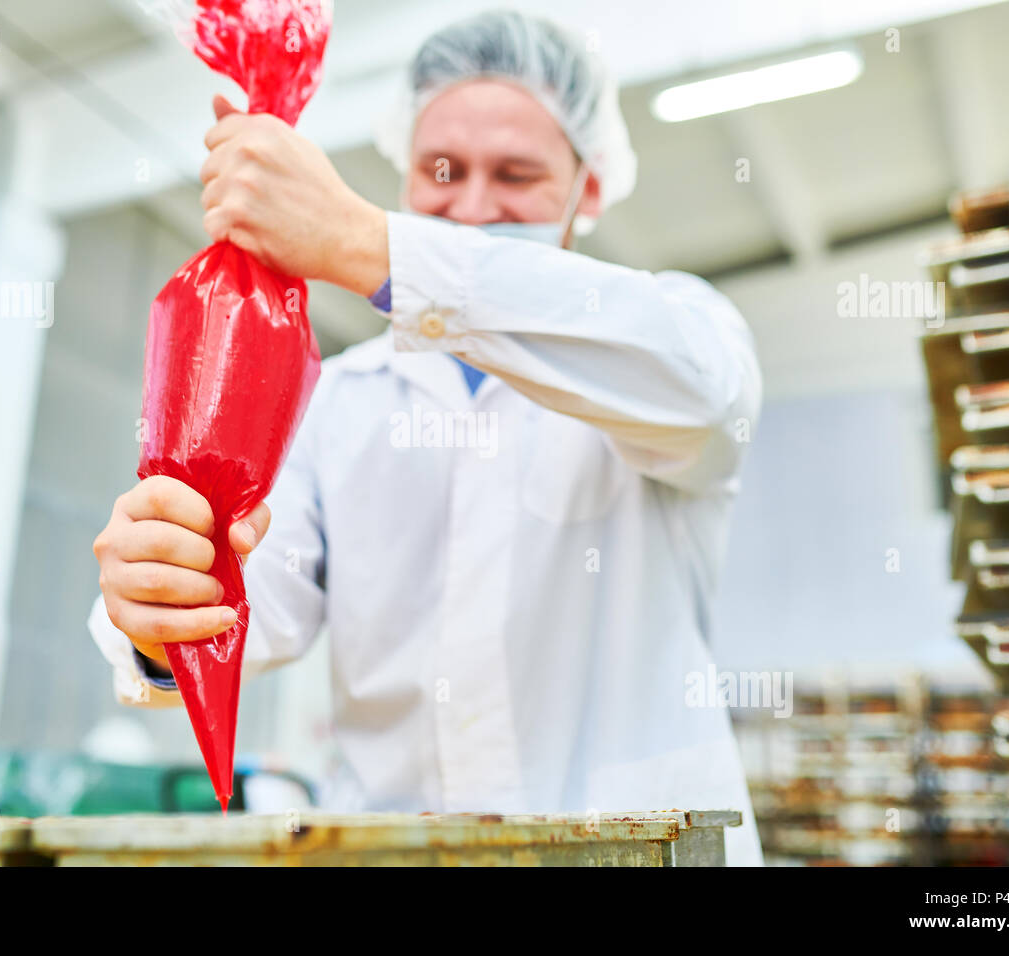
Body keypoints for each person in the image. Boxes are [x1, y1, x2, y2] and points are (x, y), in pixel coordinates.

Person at [89, 10, 764, 865]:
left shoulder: (668, 334)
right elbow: (250, 608)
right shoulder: (333, 401)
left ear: (588, 186)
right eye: (444, 171)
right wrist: (160, 604)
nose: (475, 207)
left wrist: (364, 245)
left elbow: (703, 401)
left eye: (517, 173)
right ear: (407, 173)